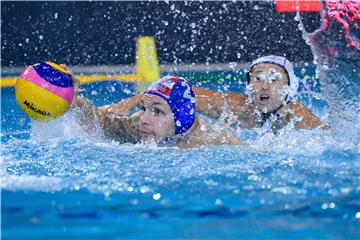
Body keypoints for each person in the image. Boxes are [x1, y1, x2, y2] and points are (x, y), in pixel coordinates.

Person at [72, 76, 242, 148]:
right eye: (143, 108)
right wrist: (73, 100)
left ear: (181, 118)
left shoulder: (215, 143)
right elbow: (102, 122)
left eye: (157, 111)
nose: (144, 119)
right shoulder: (140, 124)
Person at [192, 55, 329, 133]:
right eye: (258, 78)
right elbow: (183, 93)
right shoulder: (234, 107)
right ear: (249, 85)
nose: (264, 86)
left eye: (274, 79)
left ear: (290, 87)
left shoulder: (298, 117)